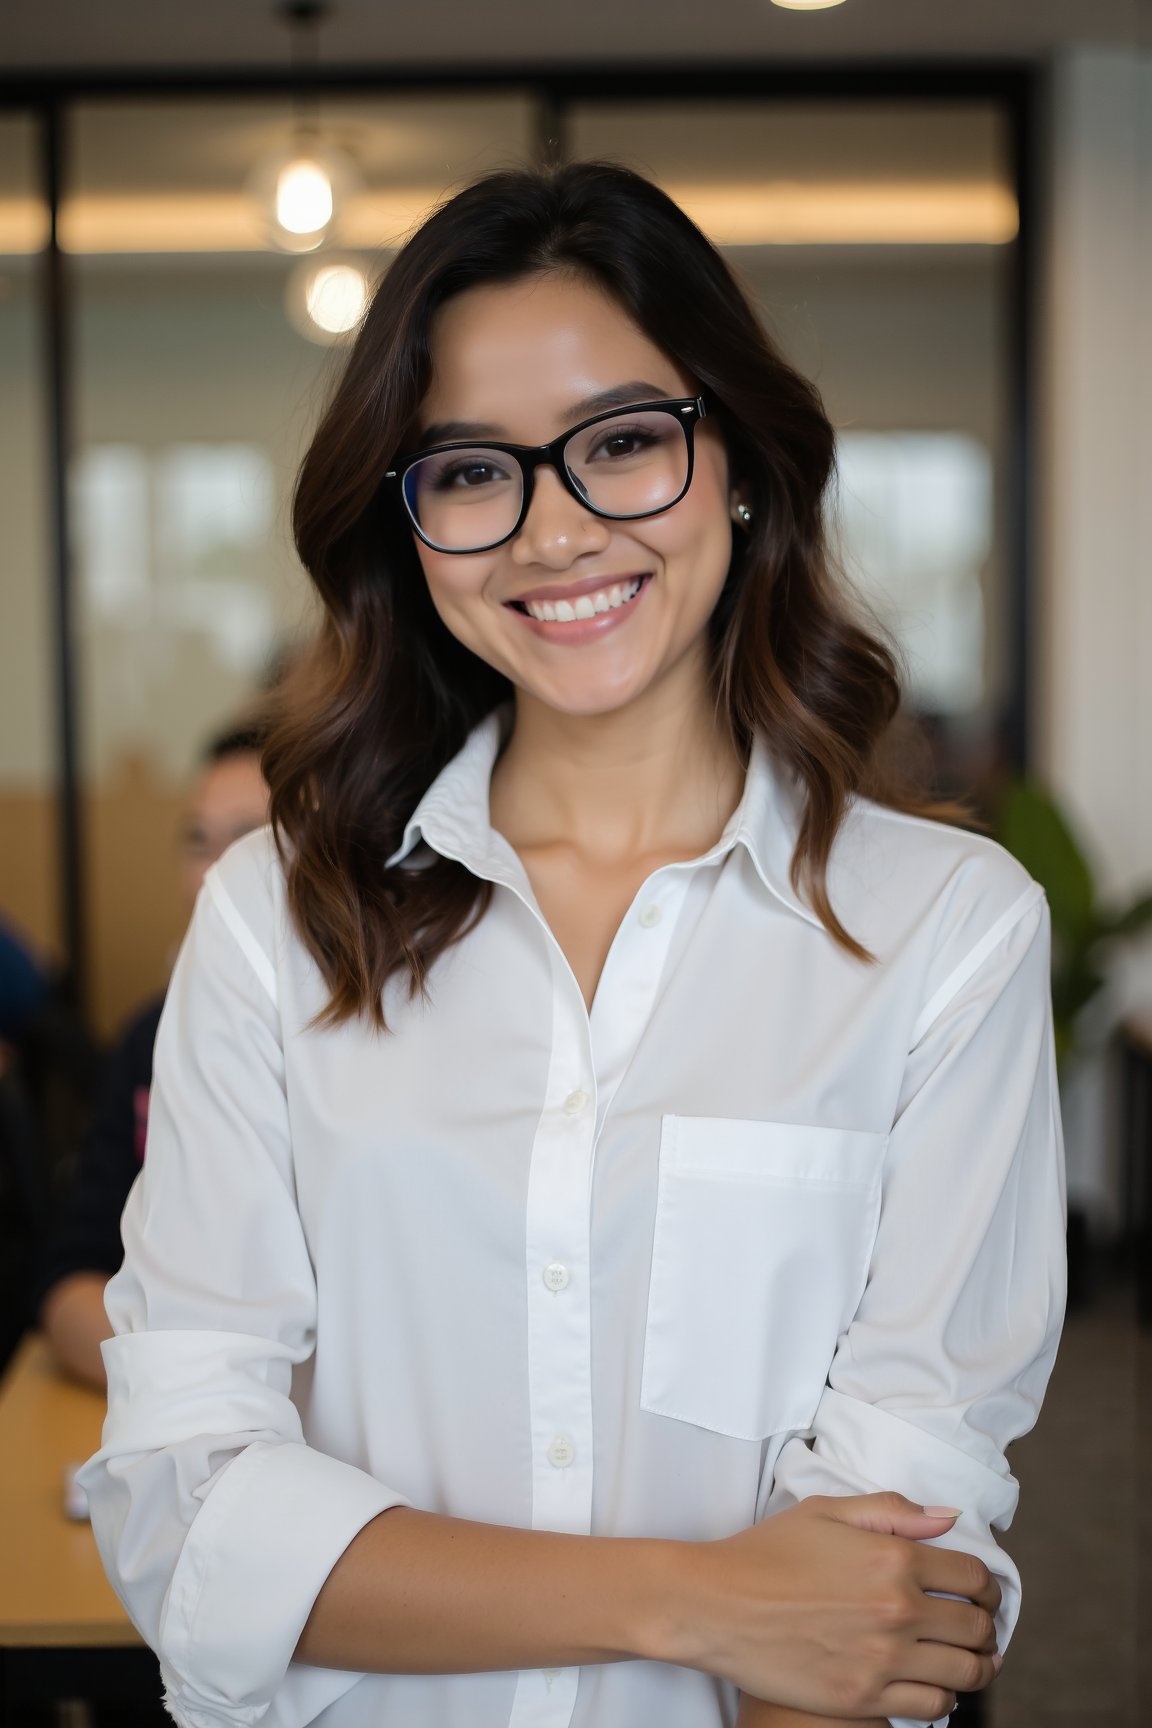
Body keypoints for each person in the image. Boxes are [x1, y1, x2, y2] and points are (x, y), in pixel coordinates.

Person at [79, 164, 1065, 1728]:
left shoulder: (943, 935)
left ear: (736, 461)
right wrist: (700, 1597)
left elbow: (891, 1577)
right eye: (472, 471)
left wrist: (787, 1618)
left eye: (622, 443)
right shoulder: (276, 920)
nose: (553, 531)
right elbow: (185, 1511)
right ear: (409, 526)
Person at [36, 725, 269, 1388]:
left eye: (251, 842)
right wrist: (194, 1396)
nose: (212, 875)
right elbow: (69, 1281)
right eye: (197, 841)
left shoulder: (373, 1051)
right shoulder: (151, 1038)